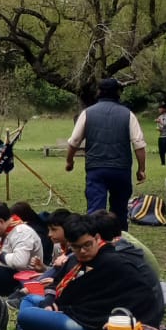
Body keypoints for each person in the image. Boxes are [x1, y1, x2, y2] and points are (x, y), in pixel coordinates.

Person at [14, 213, 162, 330]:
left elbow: (144, 295)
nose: (83, 251)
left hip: (93, 326)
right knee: (29, 299)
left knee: (25, 315)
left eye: (87, 245)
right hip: (73, 311)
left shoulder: (113, 262)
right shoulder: (77, 260)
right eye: (76, 247)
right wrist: (50, 299)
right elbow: (57, 280)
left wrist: (116, 320)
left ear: (97, 238)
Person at [65, 77, 147, 228]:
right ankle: (120, 242)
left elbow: (74, 141)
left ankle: (96, 242)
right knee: (120, 210)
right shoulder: (128, 114)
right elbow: (139, 144)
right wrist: (141, 169)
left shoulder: (87, 113)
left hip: (96, 169)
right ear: (118, 93)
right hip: (121, 169)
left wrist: (69, 161)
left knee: (95, 211)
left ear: (99, 92)